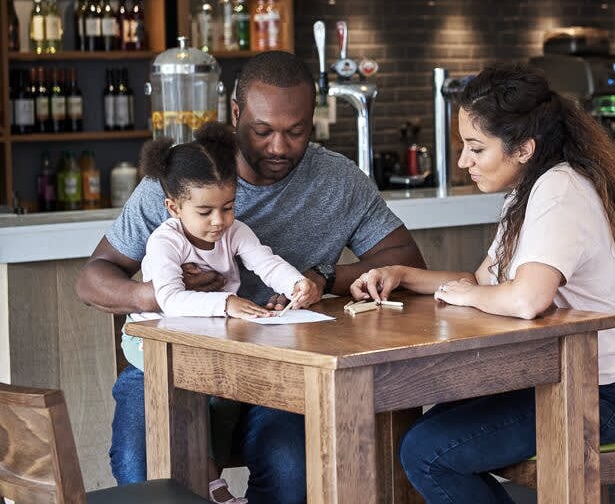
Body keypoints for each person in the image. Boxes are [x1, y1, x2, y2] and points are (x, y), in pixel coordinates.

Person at [76, 51, 426, 504]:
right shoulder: (179, 180)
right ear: (236, 113)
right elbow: (93, 279)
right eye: (263, 131)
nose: (279, 147)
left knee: (293, 471)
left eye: (295, 132)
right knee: (140, 469)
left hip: (282, 369)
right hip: (174, 367)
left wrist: (322, 276)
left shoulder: (339, 181)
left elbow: (405, 259)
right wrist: (162, 295)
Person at [352, 63, 615, 504]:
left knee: (428, 452)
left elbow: (527, 299)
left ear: (524, 148)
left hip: (599, 393)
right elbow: (483, 283)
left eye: (475, 148)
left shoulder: (559, 190)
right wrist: (404, 276)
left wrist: (470, 293)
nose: (462, 161)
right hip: (548, 376)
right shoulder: (528, 189)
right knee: (417, 436)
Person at [126, 121, 319, 504]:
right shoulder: (165, 242)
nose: (219, 221)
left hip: (210, 336)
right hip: (151, 339)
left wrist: (298, 283)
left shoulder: (235, 231)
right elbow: (169, 299)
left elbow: (266, 262)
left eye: (228, 207)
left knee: (228, 393)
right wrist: (227, 303)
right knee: (193, 395)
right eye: (205, 211)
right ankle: (207, 477)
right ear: (174, 207)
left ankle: (209, 474)